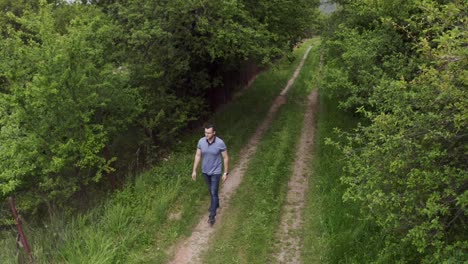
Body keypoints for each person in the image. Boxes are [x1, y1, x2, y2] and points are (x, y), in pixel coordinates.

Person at [192, 124, 229, 226]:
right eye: (205, 132)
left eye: (208, 133)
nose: (206, 134)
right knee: (211, 190)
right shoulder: (201, 141)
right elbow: (198, 155)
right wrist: (194, 170)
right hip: (205, 171)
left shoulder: (220, 143)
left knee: (213, 192)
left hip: (216, 172)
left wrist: (225, 172)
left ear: (214, 133)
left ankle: (212, 216)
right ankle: (216, 203)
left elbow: (225, 157)